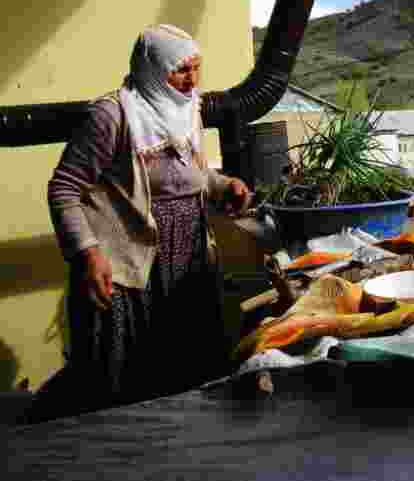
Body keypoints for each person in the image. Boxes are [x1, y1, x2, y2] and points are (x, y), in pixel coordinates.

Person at [26, 24, 251, 422]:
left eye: (197, 68)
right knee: (119, 377)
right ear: (152, 69)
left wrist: (222, 184)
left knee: (181, 364)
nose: (192, 80)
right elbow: (63, 189)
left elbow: (186, 173)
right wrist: (87, 253)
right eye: (180, 70)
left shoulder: (187, 108)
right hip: (130, 259)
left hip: (186, 253)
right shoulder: (112, 115)